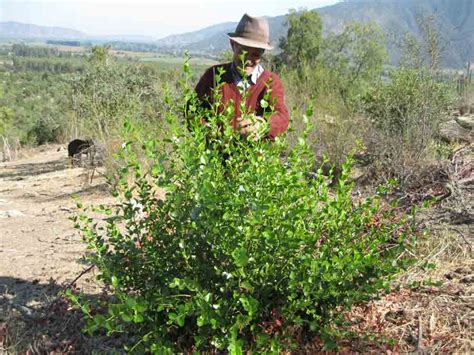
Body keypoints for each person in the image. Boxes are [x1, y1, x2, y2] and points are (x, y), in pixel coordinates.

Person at [194, 14, 289, 141]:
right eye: (243, 52)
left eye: (255, 54)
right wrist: (208, 130)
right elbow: (192, 110)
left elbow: (282, 117)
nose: (247, 60)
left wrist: (263, 125)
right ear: (233, 45)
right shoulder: (214, 76)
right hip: (215, 158)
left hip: (254, 159)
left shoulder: (271, 82)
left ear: (262, 53)